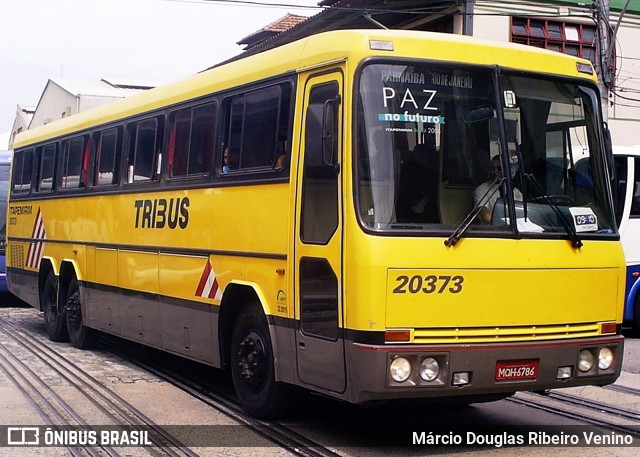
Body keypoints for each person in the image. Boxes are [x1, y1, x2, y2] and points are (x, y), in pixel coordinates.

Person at [474, 155, 521, 224]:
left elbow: (521, 215)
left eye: (499, 169)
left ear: (507, 170)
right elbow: (485, 214)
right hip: (492, 232)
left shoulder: (516, 192)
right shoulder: (481, 189)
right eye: (493, 169)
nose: (495, 172)